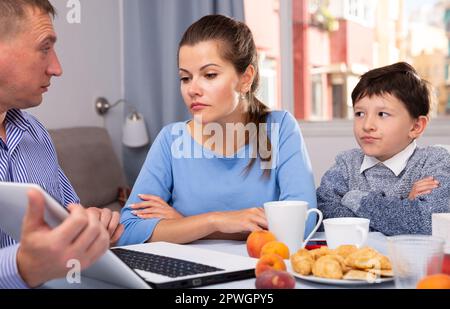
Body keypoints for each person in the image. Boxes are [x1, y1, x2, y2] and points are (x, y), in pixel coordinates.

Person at [119, 14, 317, 246]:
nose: (192, 89)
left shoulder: (280, 128)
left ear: (245, 78)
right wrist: (213, 221)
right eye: (185, 78)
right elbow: (129, 231)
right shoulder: (170, 140)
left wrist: (183, 223)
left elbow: (302, 224)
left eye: (209, 75)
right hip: (190, 274)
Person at [0, 0, 123, 288]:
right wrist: (22, 267)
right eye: (45, 47)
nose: (57, 68)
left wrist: (90, 226)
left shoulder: (36, 134)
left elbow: (68, 217)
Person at [317, 62, 450, 236]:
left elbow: (427, 222)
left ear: (416, 126)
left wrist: (354, 198)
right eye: (359, 114)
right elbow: (323, 216)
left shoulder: (435, 162)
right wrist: (404, 205)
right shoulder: (346, 163)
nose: (367, 125)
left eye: (382, 114)